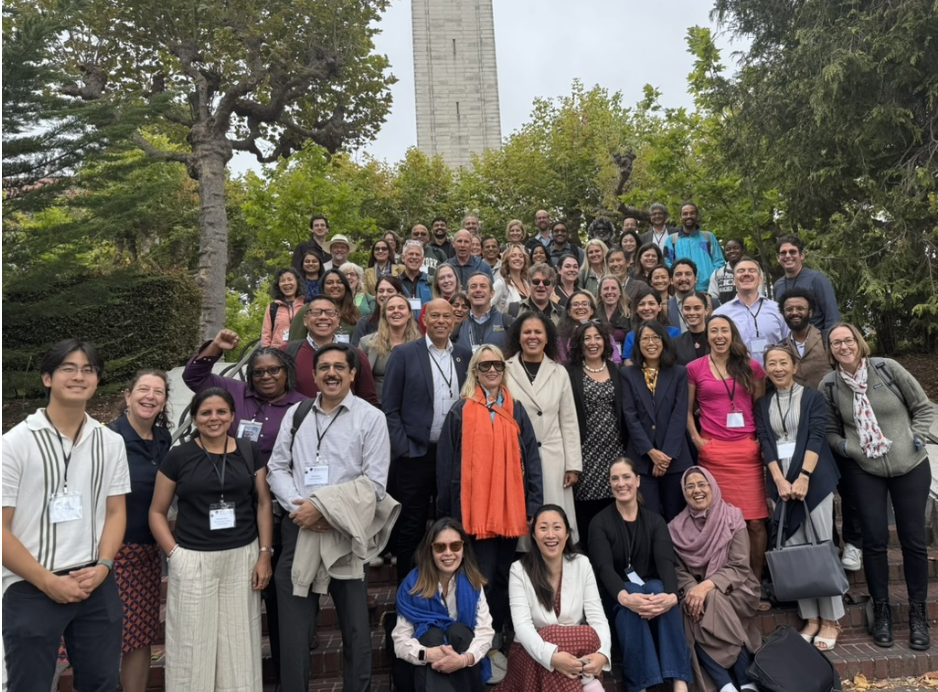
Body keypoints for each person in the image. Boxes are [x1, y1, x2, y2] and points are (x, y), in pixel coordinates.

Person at [2, 340, 130, 692]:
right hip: (30, 585)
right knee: (29, 685)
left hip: (95, 581)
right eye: (68, 368)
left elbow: (116, 510)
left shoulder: (110, 441)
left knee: (103, 683)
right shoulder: (14, 444)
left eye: (88, 369)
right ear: (47, 378)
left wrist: (104, 565)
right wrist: (47, 581)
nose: (79, 376)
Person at [266, 344, 395, 692]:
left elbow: (375, 483)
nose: (332, 373)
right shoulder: (296, 414)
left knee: (355, 628)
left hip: (347, 532)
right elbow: (277, 467)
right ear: (314, 374)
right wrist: (300, 509)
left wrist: (323, 510)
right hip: (299, 528)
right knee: (293, 633)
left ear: (353, 374)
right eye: (324, 367)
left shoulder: (371, 418)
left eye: (340, 367)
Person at [182, 331, 306, 683]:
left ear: (286, 372)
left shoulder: (302, 404)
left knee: (280, 591)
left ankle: (286, 666)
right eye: (258, 372)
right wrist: (215, 348)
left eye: (273, 371)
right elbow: (193, 378)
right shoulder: (234, 394)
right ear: (249, 376)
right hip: (236, 505)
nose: (266, 377)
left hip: (280, 506)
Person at [149, 387, 273, 692]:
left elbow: (263, 503)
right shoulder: (179, 457)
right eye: (205, 412)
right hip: (193, 558)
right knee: (191, 645)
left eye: (221, 412)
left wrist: (264, 554)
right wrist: (174, 554)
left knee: (239, 644)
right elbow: (156, 511)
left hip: (242, 557)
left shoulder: (248, 451)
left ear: (232, 415)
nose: (213, 418)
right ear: (194, 418)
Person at [822, 323, 934, 650]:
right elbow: (831, 432)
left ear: (858, 342)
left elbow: (923, 407)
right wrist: (849, 449)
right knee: (873, 539)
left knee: (913, 541)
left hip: (909, 464)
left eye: (848, 340)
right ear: (830, 350)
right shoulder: (829, 385)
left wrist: (916, 437)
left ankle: (917, 613)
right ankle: (881, 609)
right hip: (865, 468)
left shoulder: (887, 368)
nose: (843, 346)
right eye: (836, 343)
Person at [437, 345, 543, 636]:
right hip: (472, 513)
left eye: (497, 364)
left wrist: (533, 505)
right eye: (485, 366)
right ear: (475, 372)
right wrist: (447, 517)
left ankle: (497, 635)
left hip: (510, 510)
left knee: (502, 574)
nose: (492, 370)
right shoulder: (460, 411)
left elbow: (532, 458)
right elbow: (446, 466)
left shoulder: (515, 410)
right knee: (480, 576)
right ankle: (480, 637)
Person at [755, 345, 843, 650]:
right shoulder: (763, 402)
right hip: (781, 485)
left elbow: (817, 436)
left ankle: (831, 619)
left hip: (813, 481)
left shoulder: (812, 398)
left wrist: (803, 476)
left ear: (794, 366)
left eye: (783, 362)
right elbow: (765, 441)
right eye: (771, 364)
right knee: (795, 550)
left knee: (820, 545)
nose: (777, 368)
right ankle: (811, 618)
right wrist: (779, 480)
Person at [383, 298, 472, 583]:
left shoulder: (464, 355)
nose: (442, 321)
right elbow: (390, 408)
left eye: (448, 316)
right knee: (412, 525)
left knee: (452, 522)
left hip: (454, 455)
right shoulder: (405, 354)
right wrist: (405, 449)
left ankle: (452, 588)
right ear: (423, 318)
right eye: (435, 316)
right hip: (416, 454)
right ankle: (408, 591)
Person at [588, 458, 692, 692]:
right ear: (610, 484)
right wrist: (625, 597)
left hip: (653, 599)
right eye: (615, 478)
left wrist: (672, 596)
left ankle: (679, 682)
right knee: (634, 591)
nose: (621, 483)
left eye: (626, 477)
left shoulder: (655, 521)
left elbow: (666, 562)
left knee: (659, 589)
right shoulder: (600, 523)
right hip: (616, 598)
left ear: (637, 481)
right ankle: (642, 685)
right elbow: (604, 568)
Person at [686, 315, 768, 587]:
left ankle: (755, 583)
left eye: (724, 330)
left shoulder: (752, 367)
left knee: (755, 522)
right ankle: (725, 584)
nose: (719, 336)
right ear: (706, 336)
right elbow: (686, 411)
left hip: (746, 453)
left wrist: (756, 440)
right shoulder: (694, 368)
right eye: (714, 331)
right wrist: (697, 440)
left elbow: (760, 407)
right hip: (713, 453)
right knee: (719, 524)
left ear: (732, 334)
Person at [106, 371, 173, 692]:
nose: (150, 396)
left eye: (158, 391)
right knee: (103, 635)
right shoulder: (108, 438)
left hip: (147, 551)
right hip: (110, 552)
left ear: (164, 401)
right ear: (128, 395)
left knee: (141, 635)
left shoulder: (164, 440)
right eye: (143, 390)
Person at [669, 467, 762, 692]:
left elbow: (740, 566)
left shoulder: (732, 516)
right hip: (703, 594)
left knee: (707, 599)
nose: (696, 490)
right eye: (689, 486)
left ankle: (727, 682)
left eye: (702, 484)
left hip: (739, 589)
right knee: (691, 605)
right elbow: (679, 572)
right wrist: (695, 589)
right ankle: (740, 683)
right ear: (683, 491)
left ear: (712, 486)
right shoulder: (675, 528)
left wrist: (705, 587)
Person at [500, 506, 611, 692]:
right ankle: (590, 686)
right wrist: (552, 657)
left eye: (557, 527)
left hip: (577, 656)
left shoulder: (581, 564)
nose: (551, 535)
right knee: (550, 634)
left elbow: (597, 617)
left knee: (590, 635)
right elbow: (523, 627)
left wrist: (602, 655)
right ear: (534, 535)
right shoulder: (518, 570)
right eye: (543, 528)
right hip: (532, 652)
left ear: (567, 534)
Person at [504, 312, 583, 543]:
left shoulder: (559, 372)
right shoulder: (505, 370)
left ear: (547, 338)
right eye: (527, 332)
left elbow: (568, 421)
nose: (532, 337)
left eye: (538, 332)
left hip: (553, 458)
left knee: (553, 522)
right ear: (518, 338)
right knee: (523, 528)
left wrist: (573, 465)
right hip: (518, 457)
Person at [392, 519, 495, 692]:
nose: (448, 553)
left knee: (458, 632)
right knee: (432, 636)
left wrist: (462, 660)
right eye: (440, 547)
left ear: (463, 549)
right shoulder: (413, 586)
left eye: (455, 546)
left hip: (463, 662)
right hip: (422, 668)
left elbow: (485, 632)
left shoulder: (473, 583)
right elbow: (400, 641)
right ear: (430, 550)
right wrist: (428, 654)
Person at [622, 321, 694, 520]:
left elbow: (679, 415)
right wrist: (651, 452)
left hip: (675, 457)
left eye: (656, 338)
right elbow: (630, 416)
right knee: (648, 518)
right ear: (638, 343)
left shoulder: (679, 373)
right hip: (642, 459)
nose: (651, 343)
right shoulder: (627, 374)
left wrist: (664, 457)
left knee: (678, 517)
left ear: (664, 342)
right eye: (645, 338)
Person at [567, 322, 624, 543]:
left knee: (614, 506)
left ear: (605, 342)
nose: (592, 343)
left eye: (597, 337)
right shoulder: (569, 372)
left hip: (615, 451)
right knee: (587, 513)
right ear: (579, 345)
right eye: (587, 338)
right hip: (585, 452)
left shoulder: (616, 370)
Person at [281, 295, 379, 404]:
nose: (323, 317)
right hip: (299, 419)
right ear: (305, 320)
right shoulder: (287, 353)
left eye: (330, 312)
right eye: (316, 312)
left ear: (338, 320)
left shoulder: (356, 355)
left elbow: (368, 401)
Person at [713, 257, 789, 366]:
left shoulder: (778, 310)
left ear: (760, 280)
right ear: (734, 281)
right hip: (736, 375)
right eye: (741, 271)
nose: (746, 274)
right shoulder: (720, 314)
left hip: (774, 376)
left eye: (752, 270)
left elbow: (788, 343)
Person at [359, 294, 422, 403]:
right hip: (376, 406)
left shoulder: (421, 345)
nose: (396, 311)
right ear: (384, 315)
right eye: (391, 308)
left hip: (410, 406)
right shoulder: (366, 343)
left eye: (401, 308)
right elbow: (359, 379)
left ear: (409, 314)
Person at [773, 235, 840, 332]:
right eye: (783, 253)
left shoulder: (817, 279)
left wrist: (827, 344)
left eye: (792, 252)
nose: (788, 256)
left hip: (817, 343)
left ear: (802, 255)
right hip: (789, 344)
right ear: (778, 258)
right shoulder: (778, 286)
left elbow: (832, 317)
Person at [778, 287, 832, 389]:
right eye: (789, 309)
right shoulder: (781, 347)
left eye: (800, 308)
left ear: (810, 313)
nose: (794, 312)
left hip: (827, 403)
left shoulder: (827, 340)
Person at [662, 203, 725, 291]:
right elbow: (667, 262)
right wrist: (678, 277)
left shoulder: (708, 237)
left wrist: (712, 279)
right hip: (683, 289)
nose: (689, 216)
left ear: (696, 216)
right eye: (685, 214)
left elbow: (719, 261)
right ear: (680, 217)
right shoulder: (672, 240)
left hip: (708, 289)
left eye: (692, 213)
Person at [288, 268, 361, 340]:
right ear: (322, 287)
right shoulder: (307, 309)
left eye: (339, 282)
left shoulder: (354, 311)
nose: (335, 285)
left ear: (345, 287)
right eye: (329, 282)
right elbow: (294, 342)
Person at [556, 290, 620, 364]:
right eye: (575, 304)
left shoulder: (603, 332)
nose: (580, 307)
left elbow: (615, 359)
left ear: (592, 310)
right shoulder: (561, 336)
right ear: (569, 312)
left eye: (584, 304)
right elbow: (560, 363)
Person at [622, 285, 681, 361]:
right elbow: (628, 362)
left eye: (651, 303)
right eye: (641, 304)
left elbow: (679, 358)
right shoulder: (631, 336)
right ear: (636, 309)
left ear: (659, 307)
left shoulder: (674, 333)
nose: (646, 308)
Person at [456, 272, 513, 351]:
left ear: (492, 293)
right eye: (473, 286)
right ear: (467, 294)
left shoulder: (508, 323)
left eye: (483, 286)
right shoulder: (458, 326)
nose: (478, 290)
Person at [352, 274, 404, 346]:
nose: (384, 294)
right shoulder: (364, 324)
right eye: (381, 291)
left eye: (390, 291)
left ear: (399, 294)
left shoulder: (409, 324)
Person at [669, 259, 720, 333]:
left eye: (688, 274)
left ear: (696, 279)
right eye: (678, 274)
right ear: (671, 280)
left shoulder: (712, 302)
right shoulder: (666, 307)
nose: (683, 278)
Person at [262, 268, 306, 348]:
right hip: (277, 354)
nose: (286, 283)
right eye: (282, 281)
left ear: (297, 282)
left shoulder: (305, 306)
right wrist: (266, 353)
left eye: (290, 279)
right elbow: (266, 335)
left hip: (299, 352)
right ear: (278, 285)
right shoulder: (272, 308)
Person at [674, 292, 713, 366]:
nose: (691, 313)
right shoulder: (676, 343)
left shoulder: (716, 338)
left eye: (697, 308)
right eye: (687, 308)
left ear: (706, 310)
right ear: (682, 311)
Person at [707, 238, 750, 306]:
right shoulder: (717, 274)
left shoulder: (753, 271)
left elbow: (759, 294)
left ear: (742, 250)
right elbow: (712, 297)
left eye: (736, 248)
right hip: (724, 313)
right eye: (728, 249)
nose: (732, 251)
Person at [598, 274, 631, 357]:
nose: (609, 292)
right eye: (606, 289)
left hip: (623, 360)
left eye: (613, 288)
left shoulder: (630, 315)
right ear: (600, 293)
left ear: (620, 292)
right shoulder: (593, 314)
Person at [493, 243, 531, 314]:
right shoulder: (501, 283)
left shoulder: (527, 283)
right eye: (513, 256)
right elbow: (488, 306)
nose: (517, 258)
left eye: (521, 256)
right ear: (507, 260)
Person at [400, 240, 434, 316]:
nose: (414, 257)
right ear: (403, 257)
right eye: (411, 254)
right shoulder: (395, 283)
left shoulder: (431, 281)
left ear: (422, 260)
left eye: (418, 254)